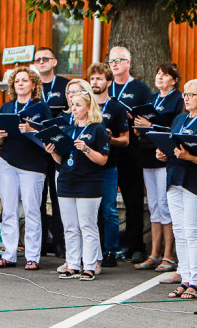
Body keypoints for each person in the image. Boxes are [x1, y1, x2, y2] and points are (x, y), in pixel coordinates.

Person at [162, 78, 197, 299]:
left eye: (191, 94)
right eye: (185, 94)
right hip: (174, 177)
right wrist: (164, 152)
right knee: (179, 230)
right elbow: (172, 144)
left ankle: (195, 280)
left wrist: (190, 157)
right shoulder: (179, 119)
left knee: (194, 230)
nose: (186, 98)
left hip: (195, 181)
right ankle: (185, 276)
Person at [46, 90, 109, 280]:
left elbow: (103, 160)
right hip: (66, 181)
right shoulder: (67, 130)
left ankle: (89, 265)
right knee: (70, 226)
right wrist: (51, 152)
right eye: (72, 105)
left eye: (78, 105)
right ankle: (72, 264)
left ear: (89, 108)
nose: (74, 108)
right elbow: (61, 159)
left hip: (88, 183)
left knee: (87, 225)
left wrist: (87, 148)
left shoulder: (98, 129)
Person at [0, 66, 52, 269]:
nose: (20, 83)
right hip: (8, 160)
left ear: (33, 84)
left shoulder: (40, 107)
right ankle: (8, 254)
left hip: (33, 165)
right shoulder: (6, 107)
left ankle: (32, 256)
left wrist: (30, 129)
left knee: (31, 210)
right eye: (17, 81)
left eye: (24, 80)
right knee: (8, 210)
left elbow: (47, 138)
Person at [134, 62, 184, 275]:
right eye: (158, 74)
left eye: (165, 75)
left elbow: (174, 127)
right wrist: (138, 128)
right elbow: (145, 124)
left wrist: (150, 126)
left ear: (174, 79)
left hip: (164, 156)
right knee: (154, 205)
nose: (160, 77)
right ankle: (153, 253)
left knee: (165, 206)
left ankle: (168, 254)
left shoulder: (178, 99)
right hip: (148, 155)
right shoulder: (152, 99)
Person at [108, 46, 153, 261]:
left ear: (129, 63)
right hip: (107, 151)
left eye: (119, 60)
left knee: (133, 200)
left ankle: (136, 245)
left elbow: (147, 120)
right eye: (111, 61)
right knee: (105, 199)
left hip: (131, 151)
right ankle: (110, 244)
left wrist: (131, 119)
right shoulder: (106, 88)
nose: (114, 64)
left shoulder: (140, 89)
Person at [87, 63, 129, 267]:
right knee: (88, 212)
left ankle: (111, 250)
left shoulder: (117, 107)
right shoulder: (84, 104)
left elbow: (126, 140)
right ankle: (91, 251)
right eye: (92, 78)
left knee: (109, 210)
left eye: (99, 78)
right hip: (85, 167)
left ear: (109, 82)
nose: (95, 82)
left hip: (108, 166)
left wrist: (108, 139)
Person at [35, 46, 70, 262]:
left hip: (58, 148)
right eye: (38, 59)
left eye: (45, 58)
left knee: (58, 199)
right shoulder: (32, 85)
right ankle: (38, 245)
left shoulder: (65, 85)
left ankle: (61, 244)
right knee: (37, 199)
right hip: (37, 149)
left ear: (54, 62)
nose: (41, 62)